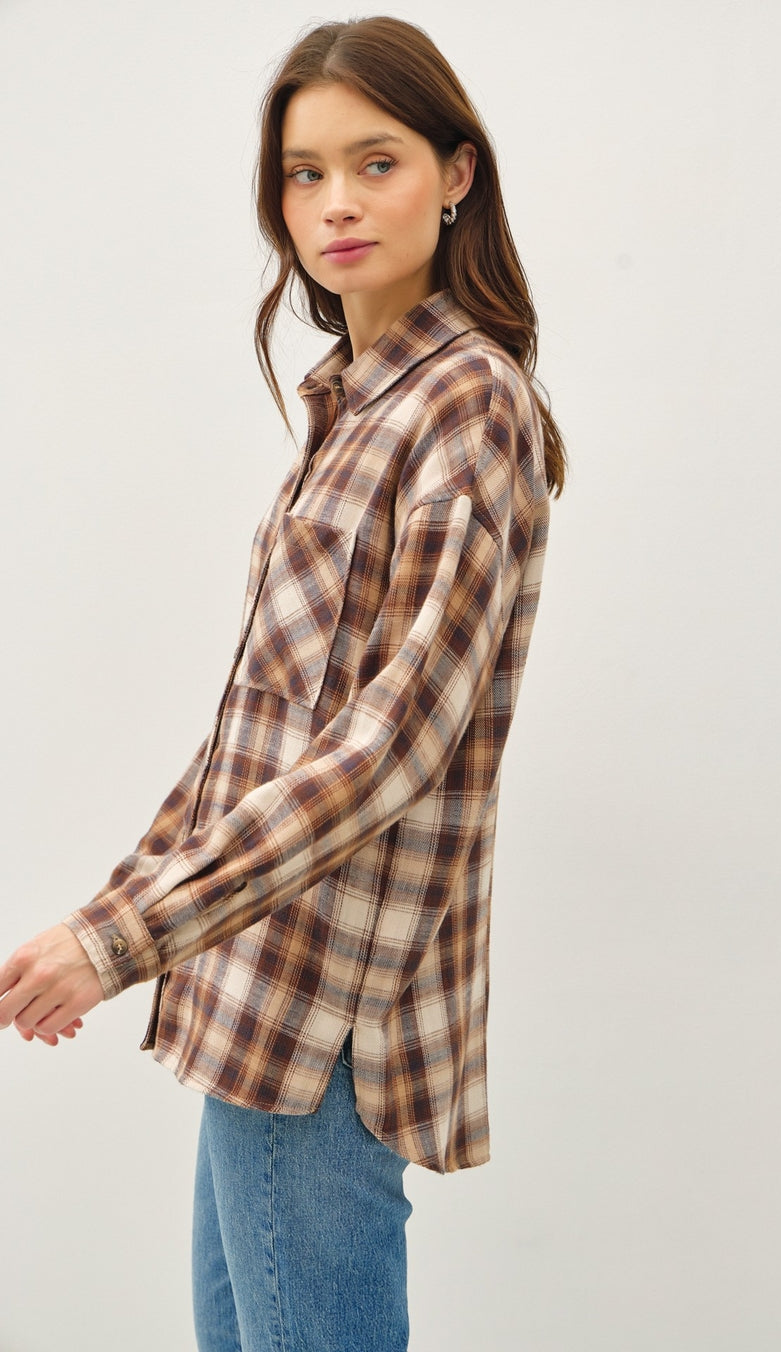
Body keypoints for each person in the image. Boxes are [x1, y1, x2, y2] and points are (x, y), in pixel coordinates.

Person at [0, 15, 565, 1352]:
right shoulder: (353, 403)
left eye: (376, 163)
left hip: (329, 1022)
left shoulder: (466, 403)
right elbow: (250, 742)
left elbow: (387, 747)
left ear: (456, 174)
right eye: (304, 174)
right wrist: (109, 917)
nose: (336, 204)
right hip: (258, 998)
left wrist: (116, 942)